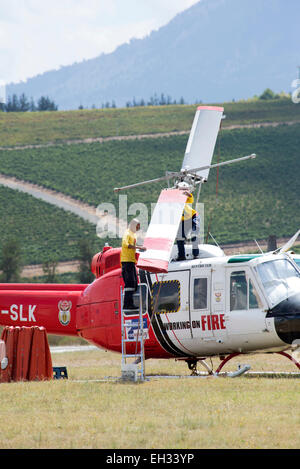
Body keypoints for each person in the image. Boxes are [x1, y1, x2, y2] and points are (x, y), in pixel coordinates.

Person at [121, 218, 146, 310]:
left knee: (134, 283)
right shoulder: (127, 233)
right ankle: (127, 304)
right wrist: (139, 247)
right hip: (127, 261)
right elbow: (125, 245)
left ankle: (130, 302)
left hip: (131, 261)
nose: (139, 227)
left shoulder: (133, 234)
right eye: (138, 225)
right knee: (130, 283)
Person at [176, 183, 200, 261]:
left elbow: (190, 197)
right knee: (179, 238)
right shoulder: (174, 200)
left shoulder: (186, 198)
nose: (183, 191)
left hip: (193, 216)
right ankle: (181, 256)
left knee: (194, 234)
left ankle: (196, 254)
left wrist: (187, 193)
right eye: (181, 189)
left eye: (185, 189)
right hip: (183, 221)